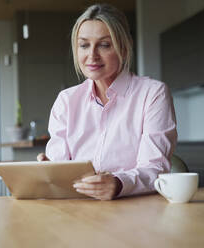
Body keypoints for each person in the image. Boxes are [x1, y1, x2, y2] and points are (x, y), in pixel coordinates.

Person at [37, 4, 177, 200]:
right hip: (77, 209)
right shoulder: (66, 101)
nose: (92, 55)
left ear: (124, 48)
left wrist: (119, 183)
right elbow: (59, 167)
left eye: (104, 44)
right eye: (84, 45)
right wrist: (49, 170)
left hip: (136, 210)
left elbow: (155, 168)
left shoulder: (153, 94)